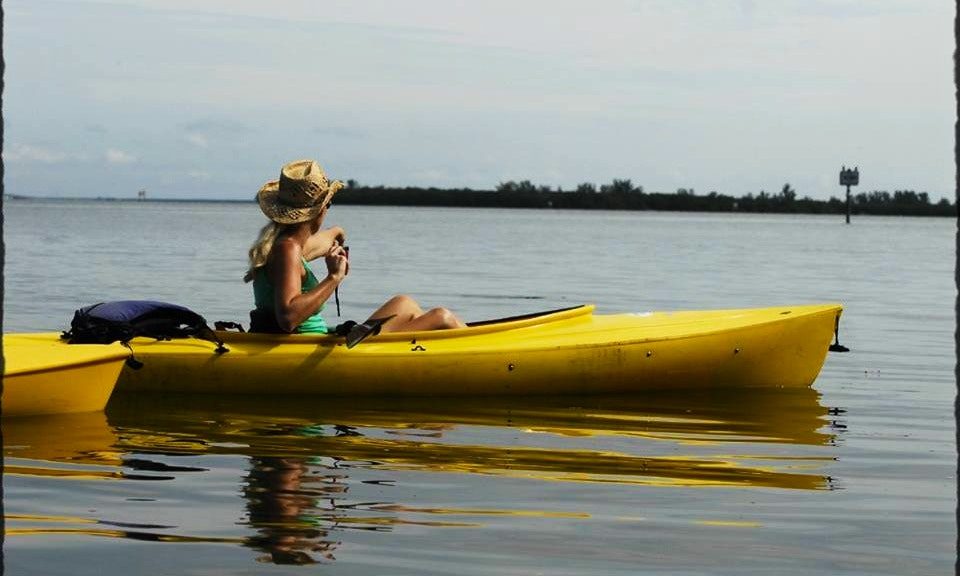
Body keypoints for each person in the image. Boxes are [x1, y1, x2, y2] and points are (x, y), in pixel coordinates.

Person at [244, 159, 465, 335]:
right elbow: (288, 318)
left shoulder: (282, 244)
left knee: (405, 303)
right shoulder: (288, 249)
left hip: (321, 340)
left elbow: (318, 244)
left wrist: (337, 232)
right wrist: (334, 277)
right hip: (310, 347)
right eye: (328, 205)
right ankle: (485, 359)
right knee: (441, 317)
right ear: (321, 210)